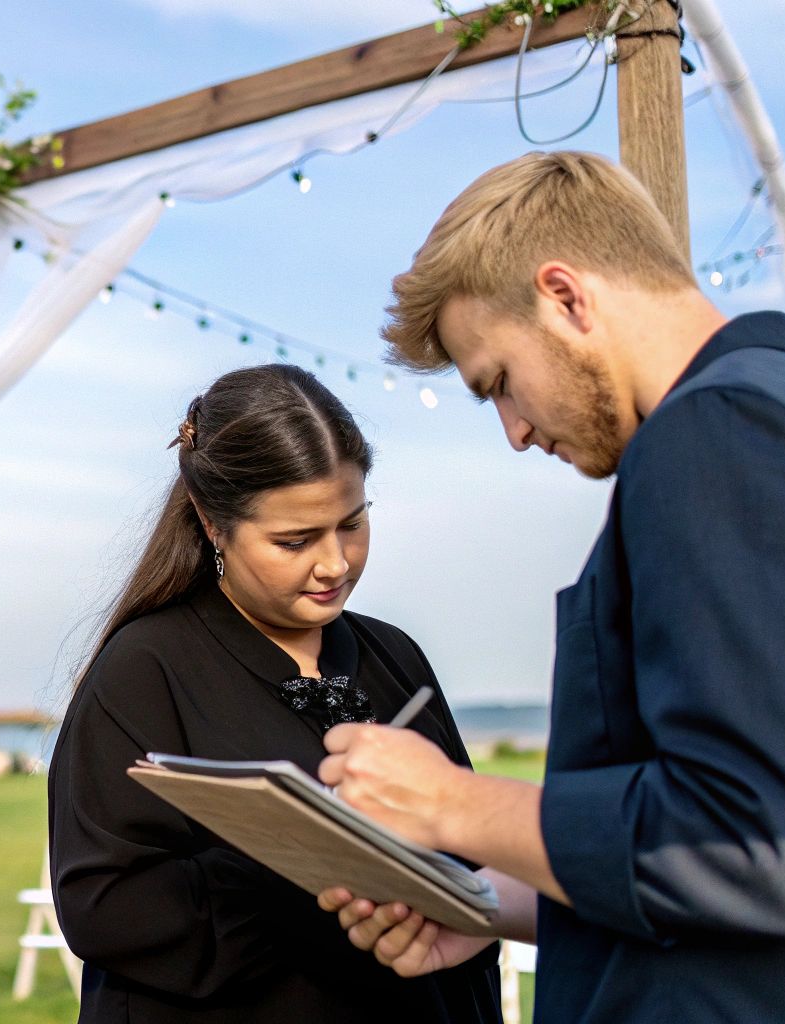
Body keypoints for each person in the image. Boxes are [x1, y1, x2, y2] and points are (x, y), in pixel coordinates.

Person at [315, 151, 785, 1022]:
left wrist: (451, 802)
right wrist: (489, 904)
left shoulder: (716, 434)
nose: (517, 431)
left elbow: (760, 845)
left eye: (497, 382)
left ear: (566, 297)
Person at [47, 364, 503, 1023]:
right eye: (295, 540)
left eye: (352, 523)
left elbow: (469, 865)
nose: (334, 564)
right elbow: (104, 906)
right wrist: (306, 865)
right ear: (211, 522)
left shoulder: (396, 656)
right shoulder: (145, 671)